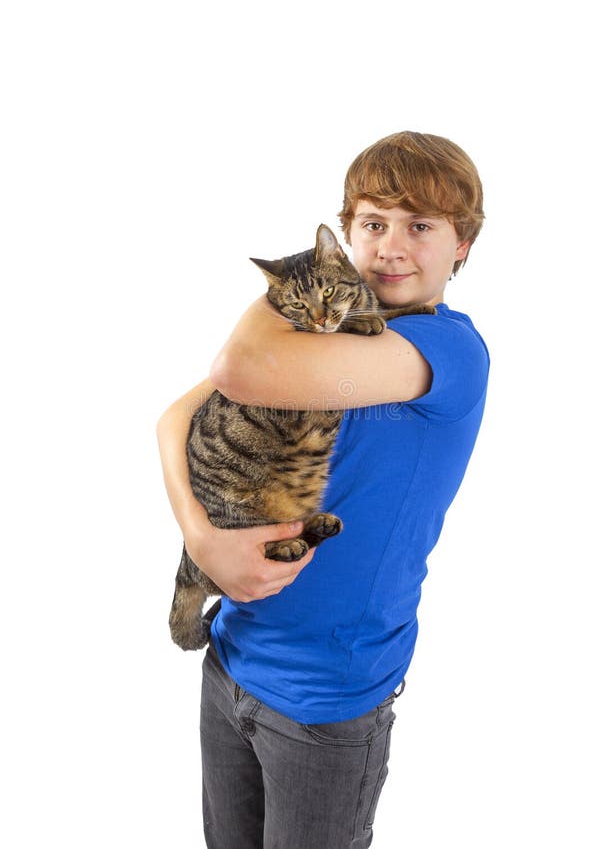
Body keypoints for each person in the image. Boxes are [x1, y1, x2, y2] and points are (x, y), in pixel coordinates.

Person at [156, 131, 489, 848]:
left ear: (462, 246)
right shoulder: (325, 336)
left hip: (325, 701)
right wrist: (204, 540)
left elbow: (234, 367)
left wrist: (287, 289)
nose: (392, 247)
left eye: (421, 227)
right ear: (344, 235)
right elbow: (173, 419)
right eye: (372, 224)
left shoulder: (447, 351)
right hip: (233, 659)